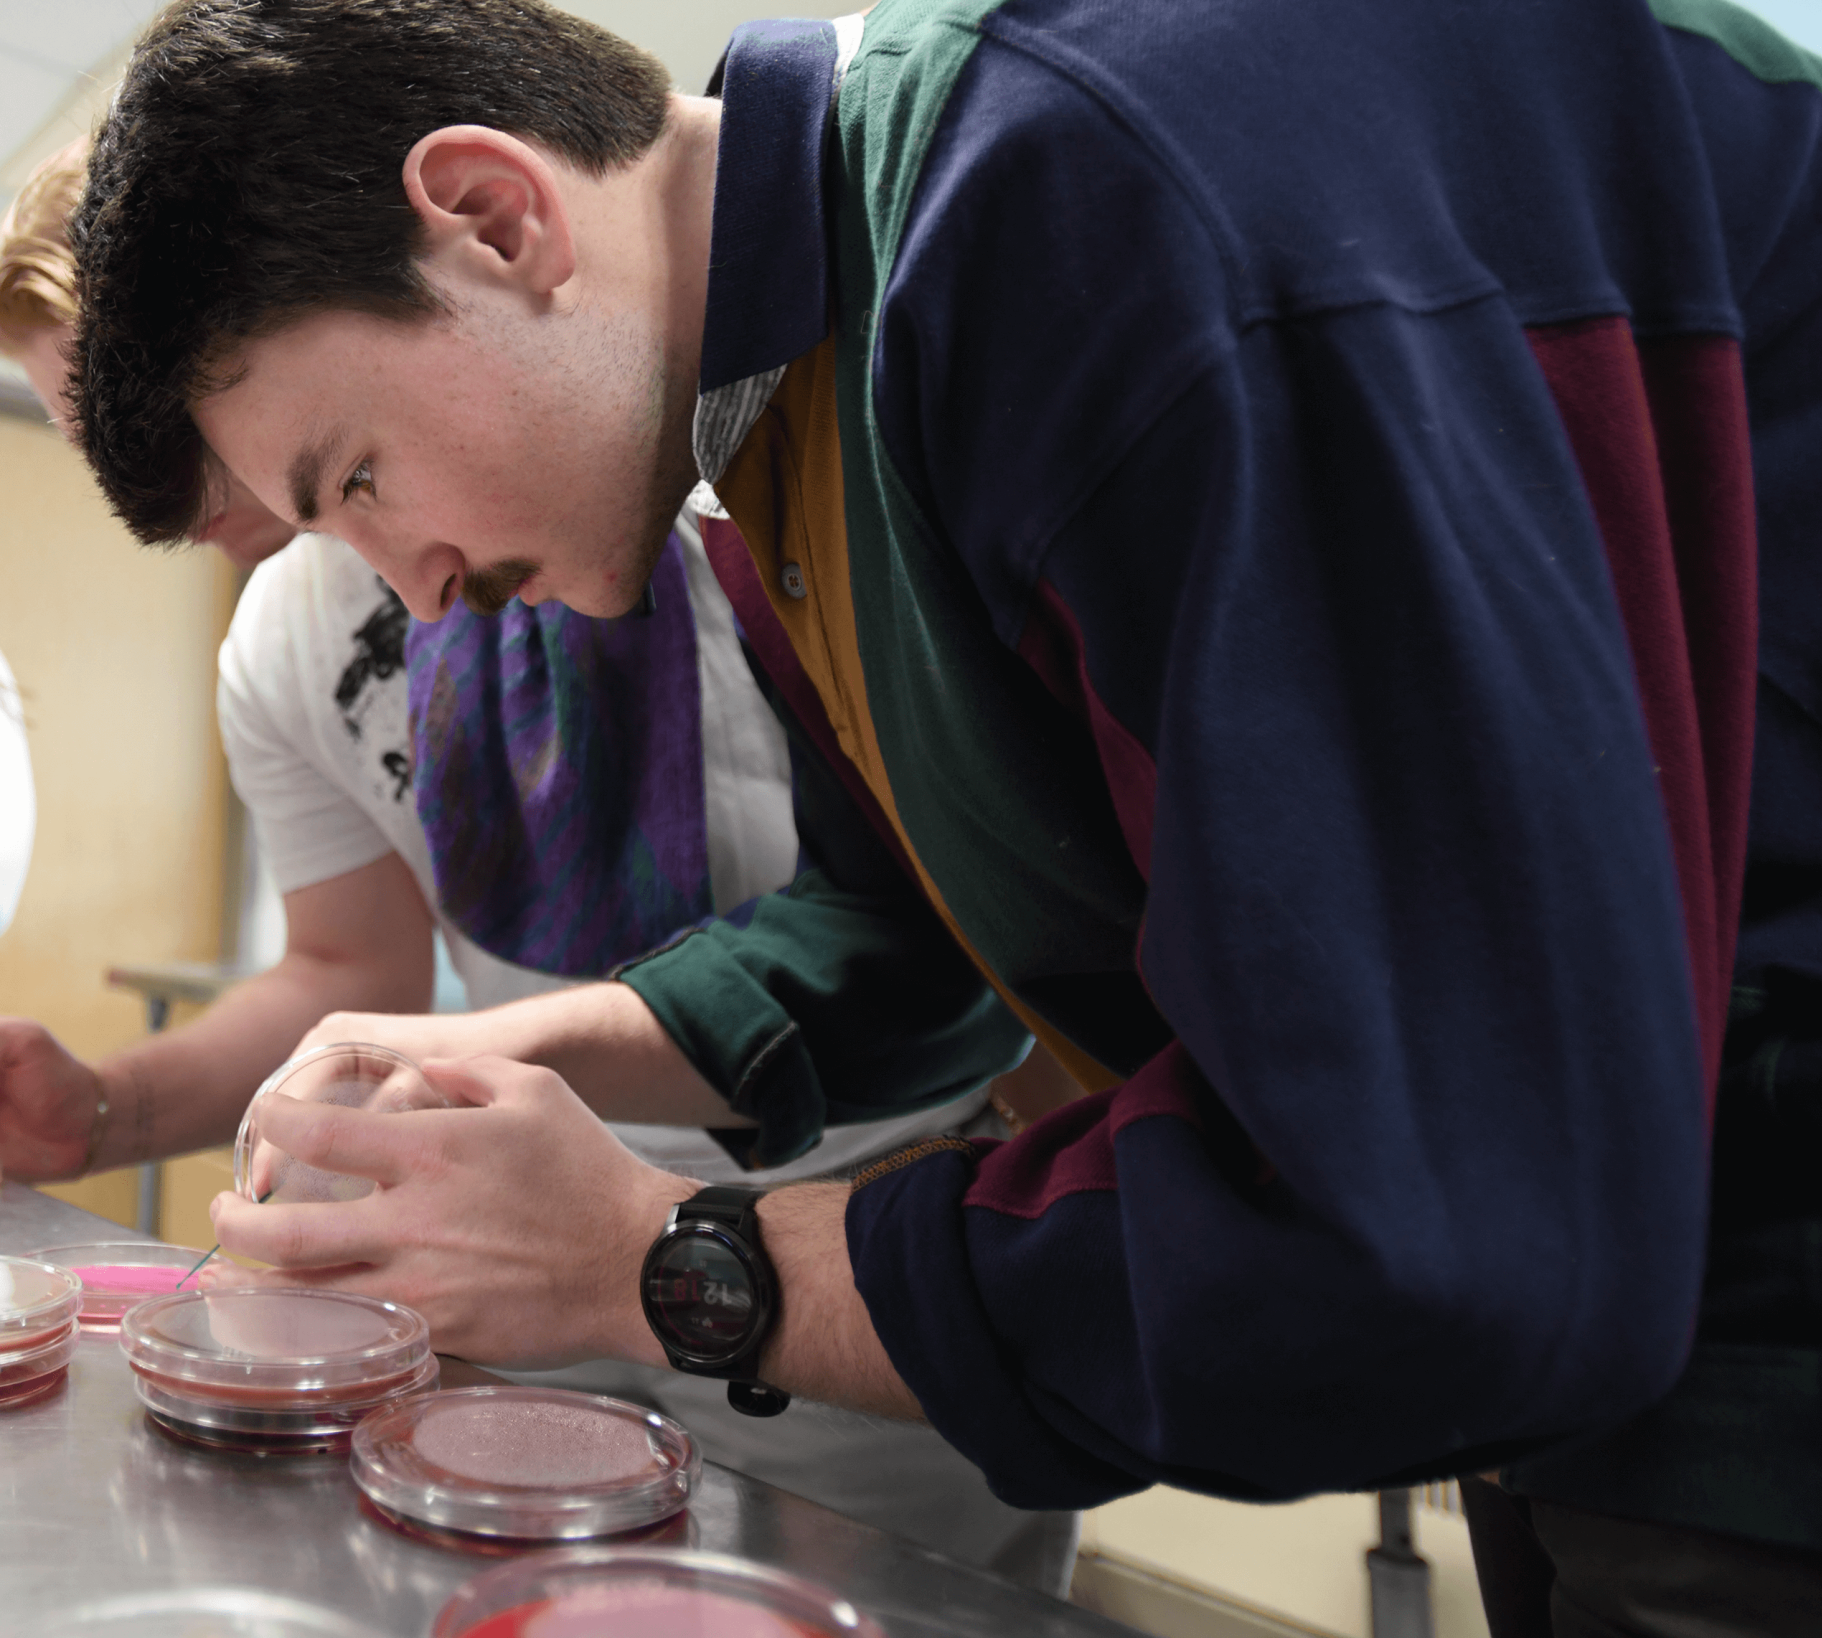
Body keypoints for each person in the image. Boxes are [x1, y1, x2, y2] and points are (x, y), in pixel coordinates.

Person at [67, 0, 1822, 1632]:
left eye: (361, 479)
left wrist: (664, 1261)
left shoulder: (1081, 191)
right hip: (1636, 1376)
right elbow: (920, 934)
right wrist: (506, 1052)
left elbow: (1455, 1223)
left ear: (493, 214)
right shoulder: (791, 415)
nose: (426, 593)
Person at [0, 155, 1072, 1589]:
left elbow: (932, 946)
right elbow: (345, 977)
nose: (149, 501)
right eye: (88, 448)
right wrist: (113, 1108)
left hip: (851, 1232)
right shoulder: (284, 643)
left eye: (146, 423)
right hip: (509, 1258)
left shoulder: (721, 511)